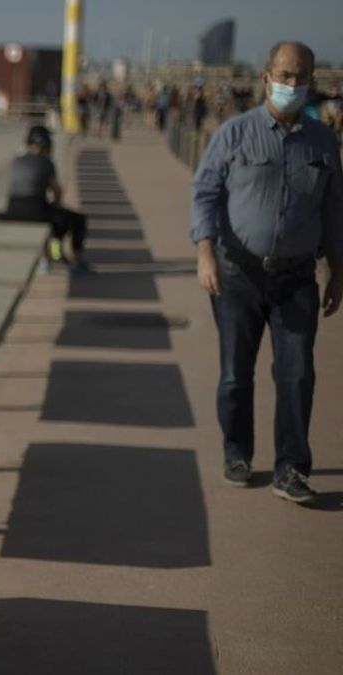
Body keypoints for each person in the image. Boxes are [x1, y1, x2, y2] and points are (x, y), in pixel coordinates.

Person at [190, 41, 343, 503]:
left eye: (301, 77)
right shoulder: (233, 134)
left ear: (312, 80)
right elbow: (204, 193)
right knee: (236, 374)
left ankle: (291, 468)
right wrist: (205, 253)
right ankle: (237, 451)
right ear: (265, 77)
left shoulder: (322, 140)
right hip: (237, 274)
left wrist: (338, 270)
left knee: (297, 374)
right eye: (285, 75)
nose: (292, 85)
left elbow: (333, 210)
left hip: (296, 278)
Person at [0, 125, 92, 275]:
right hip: (36, 210)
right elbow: (57, 190)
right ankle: (75, 261)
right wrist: (57, 203)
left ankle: (48, 258)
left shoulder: (16, 160)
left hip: (12, 208)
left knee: (55, 218)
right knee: (77, 219)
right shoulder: (46, 162)